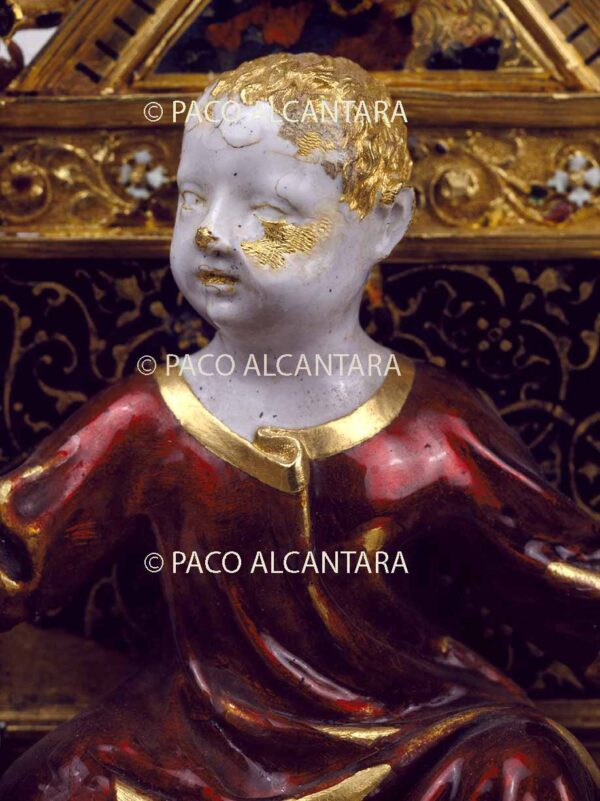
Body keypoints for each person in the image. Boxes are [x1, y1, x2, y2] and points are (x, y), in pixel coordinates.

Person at [0, 52, 598, 801]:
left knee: (516, 764)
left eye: (270, 212)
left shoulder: (431, 427)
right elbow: (17, 550)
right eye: (191, 199)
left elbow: (551, 568)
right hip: (197, 742)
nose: (214, 232)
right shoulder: (149, 421)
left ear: (385, 223)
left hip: (408, 731)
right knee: (67, 782)